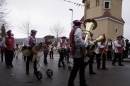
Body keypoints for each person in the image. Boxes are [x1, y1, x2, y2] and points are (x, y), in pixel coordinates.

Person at [68, 20, 89, 86]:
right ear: (80, 24)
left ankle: (81, 82)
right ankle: (72, 83)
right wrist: (86, 45)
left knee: (80, 67)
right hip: (78, 52)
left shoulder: (73, 30)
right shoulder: (78, 30)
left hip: (76, 51)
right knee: (77, 68)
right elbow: (78, 40)